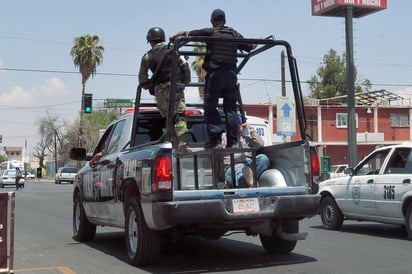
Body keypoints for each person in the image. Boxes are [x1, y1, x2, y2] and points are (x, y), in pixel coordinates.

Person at [170, 9, 256, 149]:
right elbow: (250, 46)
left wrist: (176, 36)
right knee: (231, 110)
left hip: (216, 75)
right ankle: (232, 142)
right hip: (231, 76)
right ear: (225, 20)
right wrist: (255, 42)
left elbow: (189, 34)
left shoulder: (211, 32)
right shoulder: (234, 34)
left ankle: (215, 140)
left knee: (210, 107)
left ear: (212, 21)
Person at [139, 27, 192, 152]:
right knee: (179, 115)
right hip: (175, 88)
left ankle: (174, 142)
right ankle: (182, 143)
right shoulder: (173, 50)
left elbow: (142, 78)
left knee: (169, 117)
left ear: (150, 40)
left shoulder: (147, 57)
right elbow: (185, 66)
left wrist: (148, 86)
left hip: (160, 91)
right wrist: (185, 81)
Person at [224, 116, 269, 188]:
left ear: (241, 124)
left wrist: (251, 130)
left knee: (263, 158)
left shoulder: (246, 138)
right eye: (234, 124)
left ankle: (250, 180)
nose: (236, 126)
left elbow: (260, 144)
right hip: (233, 167)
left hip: (248, 164)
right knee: (240, 174)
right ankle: (249, 182)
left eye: (238, 123)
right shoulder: (225, 137)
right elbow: (219, 146)